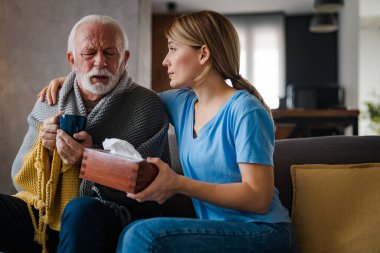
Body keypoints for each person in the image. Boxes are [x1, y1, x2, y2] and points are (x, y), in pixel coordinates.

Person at [40, 11, 297, 253]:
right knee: (135, 233)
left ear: (203, 54)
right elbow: (124, 93)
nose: (165, 60)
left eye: (173, 49)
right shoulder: (183, 104)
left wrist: (178, 184)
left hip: (264, 232)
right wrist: (75, 80)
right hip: (221, 229)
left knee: (141, 235)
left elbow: (258, 197)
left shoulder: (245, 110)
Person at [1, 15, 170, 253]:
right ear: (72, 60)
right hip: (45, 211)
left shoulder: (146, 106)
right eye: (89, 53)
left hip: (107, 213)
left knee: (80, 210)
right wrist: (45, 149)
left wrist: (89, 160)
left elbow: (151, 190)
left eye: (110, 53)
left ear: (125, 58)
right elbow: (19, 177)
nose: (100, 62)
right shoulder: (49, 101)